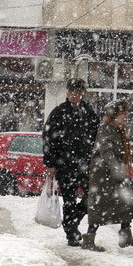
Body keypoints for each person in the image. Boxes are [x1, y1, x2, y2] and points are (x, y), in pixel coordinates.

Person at [42, 78, 100, 246]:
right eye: (72, 91)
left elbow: (97, 138)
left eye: (78, 92)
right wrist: (51, 163)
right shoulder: (59, 112)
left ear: (83, 94)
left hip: (86, 165)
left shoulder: (89, 112)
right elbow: (48, 139)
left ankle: (72, 223)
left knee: (91, 197)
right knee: (69, 199)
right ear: (67, 92)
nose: (75, 95)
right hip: (65, 165)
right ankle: (71, 234)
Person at [82, 98, 133, 252]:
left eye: (126, 113)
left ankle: (126, 236)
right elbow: (106, 150)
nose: (126, 116)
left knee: (126, 202)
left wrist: (129, 154)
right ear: (115, 115)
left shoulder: (119, 130)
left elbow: (117, 150)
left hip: (116, 173)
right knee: (99, 206)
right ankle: (89, 239)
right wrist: (115, 167)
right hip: (103, 174)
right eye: (123, 113)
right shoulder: (105, 129)